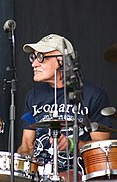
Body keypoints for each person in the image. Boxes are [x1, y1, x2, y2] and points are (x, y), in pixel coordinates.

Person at [17, 34, 112, 181]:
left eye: (41, 57)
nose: (34, 64)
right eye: (33, 57)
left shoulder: (93, 95)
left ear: (62, 61)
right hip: (40, 173)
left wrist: (72, 144)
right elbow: (27, 145)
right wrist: (18, 165)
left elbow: (101, 150)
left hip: (78, 174)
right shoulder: (33, 96)